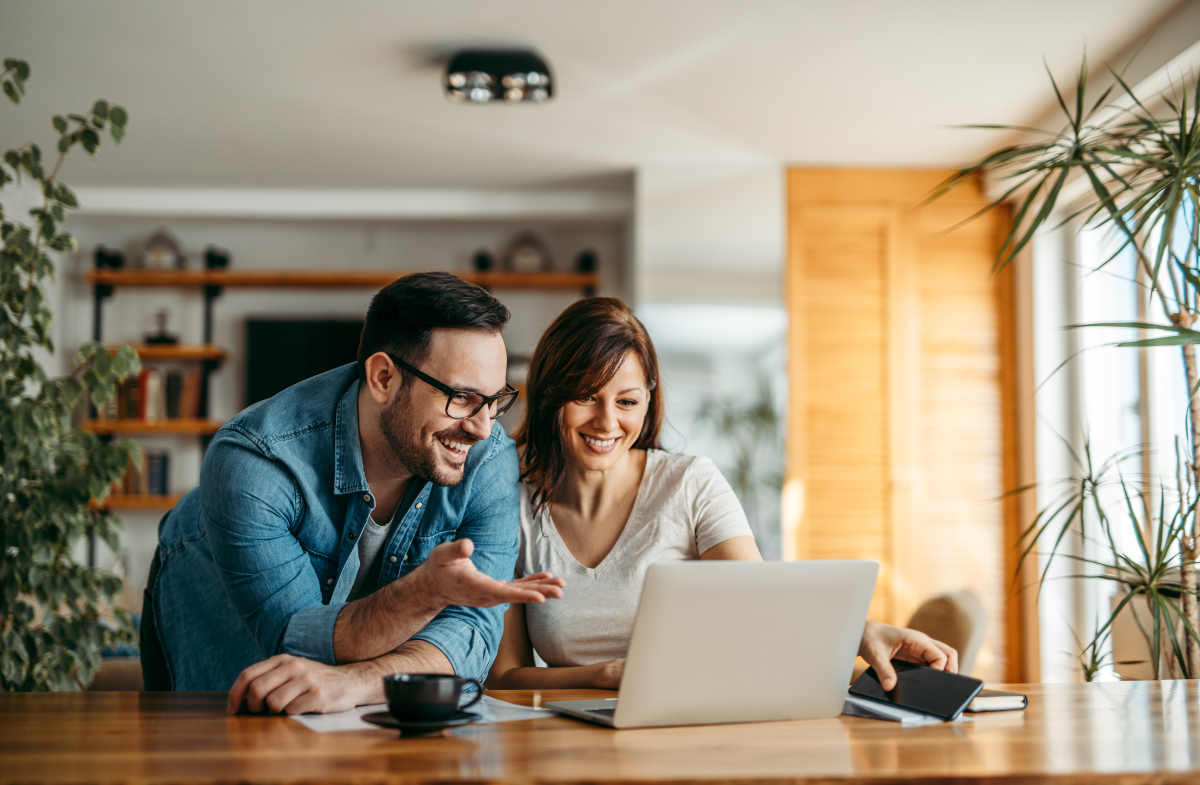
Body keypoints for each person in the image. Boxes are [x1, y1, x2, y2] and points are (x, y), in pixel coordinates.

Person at [140, 272, 564, 714]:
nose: (483, 427)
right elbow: (296, 641)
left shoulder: (490, 456)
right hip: (210, 598)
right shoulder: (256, 461)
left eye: (496, 400)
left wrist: (358, 682)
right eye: (461, 397)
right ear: (383, 377)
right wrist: (428, 592)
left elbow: (471, 636)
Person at [486, 297, 957, 692]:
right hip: (566, 742)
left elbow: (761, 598)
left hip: (689, 724)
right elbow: (505, 677)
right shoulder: (509, 499)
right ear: (549, 395)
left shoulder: (689, 484)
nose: (608, 422)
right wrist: (602, 676)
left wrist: (861, 630)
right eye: (586, 396)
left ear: (648, 401)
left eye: (627, 401)